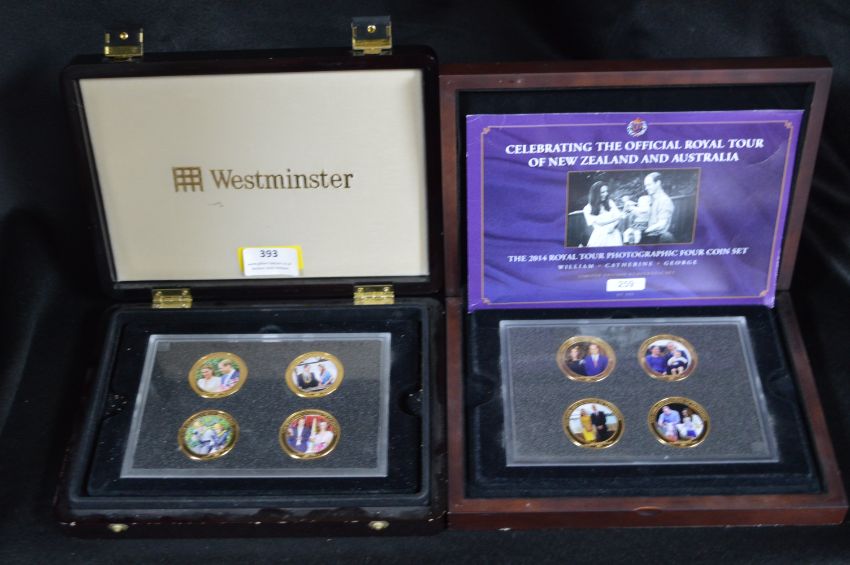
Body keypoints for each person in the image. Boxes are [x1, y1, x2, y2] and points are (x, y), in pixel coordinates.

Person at [582, 181, 623, 247]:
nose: (606, 194)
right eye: (602, 192)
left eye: (606, 191)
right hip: (599, 237)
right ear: (595, 194)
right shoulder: (587, 208)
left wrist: (613, 226)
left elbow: (618, 215)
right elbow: (600, 223)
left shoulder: (610, 202)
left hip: (614, 236)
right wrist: (617, 218)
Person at [641, 172, 675, 243]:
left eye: (649, 185)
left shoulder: (664, 200)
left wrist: (645, 232)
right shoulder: (652, 199)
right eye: (645, 186)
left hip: (659, 239)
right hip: (650, 236)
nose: (646, 188)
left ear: (658, 183)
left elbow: (662, 224)